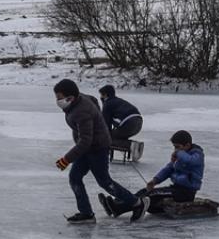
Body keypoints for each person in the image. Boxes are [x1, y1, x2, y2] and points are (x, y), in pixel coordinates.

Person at [53, 79, 149, 224]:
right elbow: (93, 100)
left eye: (59, 97)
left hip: (98, 148)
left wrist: (66, 159)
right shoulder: (78, 100)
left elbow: (86, 140)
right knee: (75, 177)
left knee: (104, 182)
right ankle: (86, 213)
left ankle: (137, 203)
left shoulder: (81, 112)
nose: (57, 100)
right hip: (86, 148)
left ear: (70, 97)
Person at [143, 130, 204, 205]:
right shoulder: (181, 156)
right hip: (176, 188)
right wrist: (155, 180)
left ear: (187, 145)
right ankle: (133, 203)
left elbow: (190, 161)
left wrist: (179, 153)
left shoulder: (197, 155)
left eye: (177, 147)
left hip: (187, 192)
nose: (175, 150)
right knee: (145, 192)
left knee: (152, 195)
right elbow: (169, 169)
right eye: (174, 147)